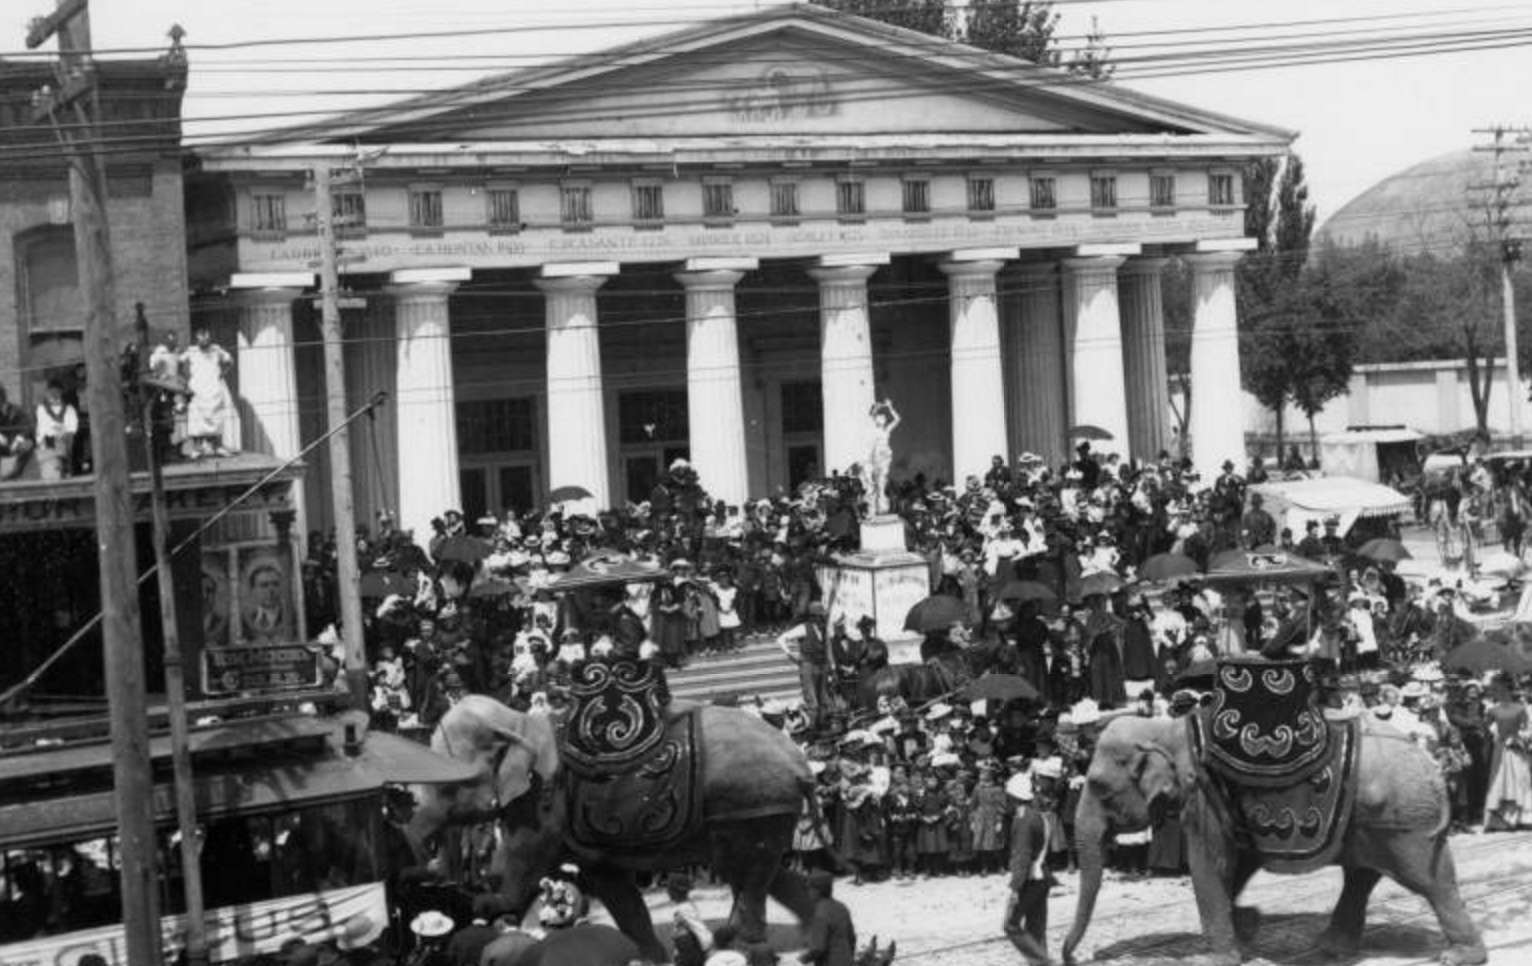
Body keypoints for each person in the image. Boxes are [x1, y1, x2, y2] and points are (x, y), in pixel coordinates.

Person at [1003, 771, 1056, 966]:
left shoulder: (1022, 819)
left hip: (1030, 881)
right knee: (1036, 927)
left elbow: (1022, 856)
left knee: (1010, 925)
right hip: (1042, 879)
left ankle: (1043, 961)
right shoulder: (1037, 816)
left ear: (1014, 797)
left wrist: (1016, 887)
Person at [181, 326, 234, 458]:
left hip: (213, 389)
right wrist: (186, 379)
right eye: (201, 340)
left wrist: (222, 373)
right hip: (197, 389)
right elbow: (179, 362)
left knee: (216, 417)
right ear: (197, 340)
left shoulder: (215, 349)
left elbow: (229, 360)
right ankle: (197, 448)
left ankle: (218, 446)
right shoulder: (191, 350)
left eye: (206, 340)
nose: (204, 343)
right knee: (196, 418)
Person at [777, 603, 831, 732]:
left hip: (822, 666)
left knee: (823, 700)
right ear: (813, 617)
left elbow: (827, 649)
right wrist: (791, 655)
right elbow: (781, 639)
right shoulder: (803, 628)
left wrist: (830, 667)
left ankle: (821, 728)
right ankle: (811, 732)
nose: (822, 618)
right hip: (808, 666)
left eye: (822, 616)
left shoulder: (823, 629)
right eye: (820, 616)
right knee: (813, 703)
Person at [798, 870, 856, 966]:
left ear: (817, 891)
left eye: (809, 889)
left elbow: (818, 948)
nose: (807, 893)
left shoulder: (819, 913)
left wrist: (804, 958)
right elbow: (852, 938)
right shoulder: (842, 907)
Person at [34, 379, 78, 481]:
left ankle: (65, 472)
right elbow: (43, 427)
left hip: (64, 440)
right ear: (47, 393)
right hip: (47, 442)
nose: (53, 394)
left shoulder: (69, 409)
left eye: (56, 391)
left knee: (65, 442)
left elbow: (72, 427)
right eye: (51, 392)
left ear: (61, 392)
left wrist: (64, 433)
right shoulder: (41, 409)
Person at [862, 398, 900, 516]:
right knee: (874, 481)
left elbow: (897, 419)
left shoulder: (886, 430)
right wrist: (877, 408)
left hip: (885, 455)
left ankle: (882, 504)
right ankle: (874, 506)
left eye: (884, 417)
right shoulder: (874, 430)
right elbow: (871, 415)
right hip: (875, 455)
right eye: (880, 417)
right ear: (877, 420)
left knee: (882, 480)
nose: (882, 418)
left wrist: (890, 407)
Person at [241, 561, 289, 643]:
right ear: (253, 590)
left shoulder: (289, 616)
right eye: (264, 585)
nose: (271, 590)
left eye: (275, 584)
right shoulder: (247, 620)